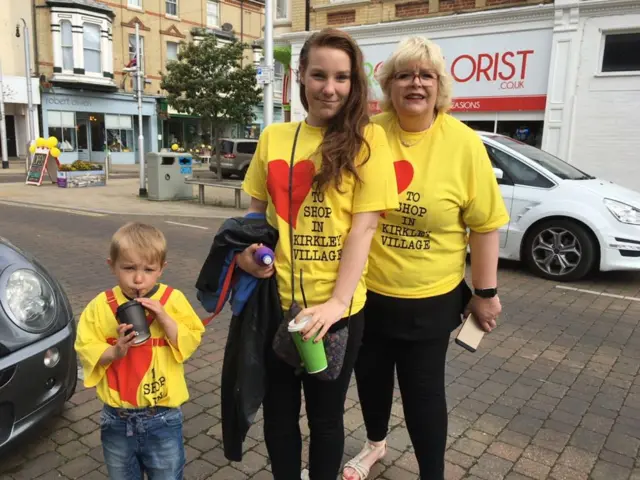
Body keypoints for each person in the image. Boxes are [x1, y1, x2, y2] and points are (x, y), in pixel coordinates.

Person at [343, 36, 510, 480]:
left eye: (426, 75)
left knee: (423, 396)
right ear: (388, 84)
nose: (415, 83)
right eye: (403, 74)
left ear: (440, 86)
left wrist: (486, 293)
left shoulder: (464, 144)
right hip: (367, 294)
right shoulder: (368, 134)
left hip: (431, 300)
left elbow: (485, 224)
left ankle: (430, 472)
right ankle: (375, 445)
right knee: (371, 383)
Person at [237, 28, 398, 480]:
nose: (330, 87)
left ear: (354, 83)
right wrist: (248, 257)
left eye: (342, 77)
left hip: (337, 312)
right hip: (276, 305)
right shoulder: (273, 137)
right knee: (278, 415)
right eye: (320, 75)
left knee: (326, 418)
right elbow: (254, 217)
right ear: (301, 77)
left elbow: (364, 228)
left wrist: (336, 303)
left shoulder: (369, 142)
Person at [74, 222, 205, 480]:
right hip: (117, 419)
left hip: (164, 417)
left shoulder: (173, 299)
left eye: (148, 269)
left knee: (167, 475)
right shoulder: (101, 306)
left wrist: (164, 317)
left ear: (161, 270)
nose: (138, 278)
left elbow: (191, 339)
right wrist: (114, 352)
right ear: (111, 266)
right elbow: (85, 345)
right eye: (129, 268)